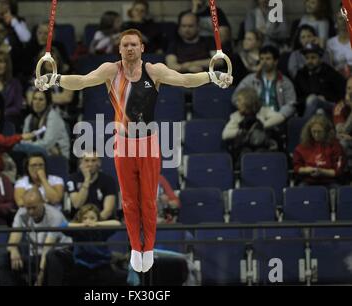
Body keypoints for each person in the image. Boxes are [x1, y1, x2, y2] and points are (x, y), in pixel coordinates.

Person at [35, 28, 232, 273]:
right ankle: (134, 248)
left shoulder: (154, 71)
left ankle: (146, 248)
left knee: (147, 200)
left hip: (148, 143)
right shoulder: (110, 71)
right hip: (123, 143)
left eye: (134, 45)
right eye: (125, 45)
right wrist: (55, 80)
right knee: (128, 201)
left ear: (142, 48)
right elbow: (82, 81)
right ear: (119, 49)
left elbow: (184, 80)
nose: (129, 48)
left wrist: (212, 76)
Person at [0, 188, 70, 286]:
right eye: (28, 208)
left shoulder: (55, 216)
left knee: (52, 258)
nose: (30, 212)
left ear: (42, 203)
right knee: (3, 257)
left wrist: (41, 274)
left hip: (58, 255)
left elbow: (47, 248)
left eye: (34, 208)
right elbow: (15, 235)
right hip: (36, 257)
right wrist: (13, 249)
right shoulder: (22, 213)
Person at [47, 204, 126, 286]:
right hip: (82, 265)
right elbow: (63, 226)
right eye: (85, 218)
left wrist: (97, 224)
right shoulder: (77, 230)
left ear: (97, 219)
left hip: (102, 265)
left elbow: (117, 223)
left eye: (92, 218)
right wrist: (82, 225)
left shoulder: (102, 230)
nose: (88, 221)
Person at [232, 45, 297, 120]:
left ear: (276, 61)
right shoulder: (250, 80)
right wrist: (248, 108)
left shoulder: (285, 82)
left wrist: (280, 116)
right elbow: (235, 97)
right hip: (255, 118)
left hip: (277, 118)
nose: (264, 62)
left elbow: (291, 103)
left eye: (268, 59)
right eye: (262, 59)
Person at [223, 87, 284, 167]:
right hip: (245, 148)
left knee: (263, 151)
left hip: (263, 146)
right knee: (246, 153)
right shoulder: (236, 116)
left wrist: (261, 125)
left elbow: (280, 117)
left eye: (239, 100)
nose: (237, 103)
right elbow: (225, 134)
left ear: (248, 101)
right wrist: (243, 131)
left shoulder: (263, 111)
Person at [294, 43, 345, 118]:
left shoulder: (330, 73)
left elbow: (342, 93)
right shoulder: (301, 74)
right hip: (308, 107)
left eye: (313, 58)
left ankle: (303, 125)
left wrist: (325, 98)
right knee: (318, 110)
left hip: (329, 106)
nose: (309, 61)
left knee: (316, 103)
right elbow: (296, 97)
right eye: (307, 58)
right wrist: (307, 99)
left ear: (320, 59)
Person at [293, 114, 346, 187]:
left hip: (330, 181)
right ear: (309, 131)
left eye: (319, 132)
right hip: (308, 180)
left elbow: (338, 171)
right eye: (313, 132)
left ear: (326, 131)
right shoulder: (302, 147)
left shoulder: (335, 146)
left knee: (336, 189)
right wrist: (307, 170)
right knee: (301, 188)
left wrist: (322, 172)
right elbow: (297, 168)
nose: (316, 135)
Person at [66, 151, 117, 220]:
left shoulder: (109, 181)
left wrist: (94, 222)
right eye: (86, 160)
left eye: (94, 160)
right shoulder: (72, 179)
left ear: (99, 163)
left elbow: (108, 211)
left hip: (101, 223)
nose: (90, 164)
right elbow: (77, 204)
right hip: (78, 223)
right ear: (81, 163)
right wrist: (87, 179)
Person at [0, 50, 24, 130]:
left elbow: (17, 107)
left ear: (7, 65)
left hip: (9, 121)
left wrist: (0, 114)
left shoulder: (15, 84)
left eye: (1, 62)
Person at [333, 76, 352, 175]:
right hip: (346, 142)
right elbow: (341, 132)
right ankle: (345, 177)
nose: (351, 92)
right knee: (342, 143)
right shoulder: (340, 106)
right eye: (349, 88)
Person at [327, 10, 352, 78]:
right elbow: (330, 66)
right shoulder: (330, 43)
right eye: (340, 18)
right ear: (336, 22)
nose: (343, 21)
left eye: (346, 18)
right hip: (338, 78)